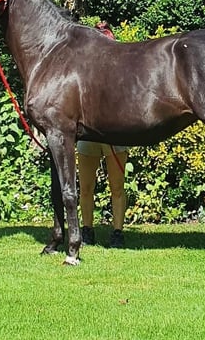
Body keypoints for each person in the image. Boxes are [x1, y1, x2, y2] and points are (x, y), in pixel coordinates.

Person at [77, 21, 128, 248]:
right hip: (89, 137)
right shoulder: (84, 73)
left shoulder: (121, 75)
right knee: (86, 187)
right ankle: (87, 230)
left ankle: (118, 232)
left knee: (117, 187)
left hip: (114, 137)